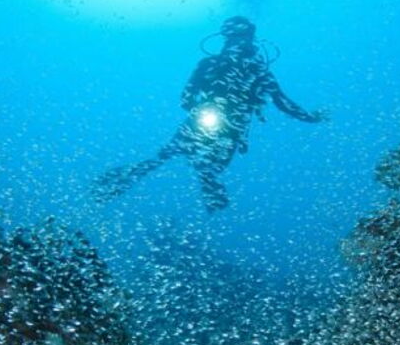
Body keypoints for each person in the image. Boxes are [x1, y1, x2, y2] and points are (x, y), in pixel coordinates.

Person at [95, 16, 325, 211]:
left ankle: (207, 189)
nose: (238, 43)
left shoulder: (258, 72)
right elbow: (187, 95)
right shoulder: (211, 64)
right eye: (233, 38)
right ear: (227, 39)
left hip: (229, 129)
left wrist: (311, 118)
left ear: (250, 40)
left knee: (201, 167)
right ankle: (115, 184)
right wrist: (199, 107)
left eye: (242, 38)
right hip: (203, 123)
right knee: (167, 157)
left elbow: (282, 102)